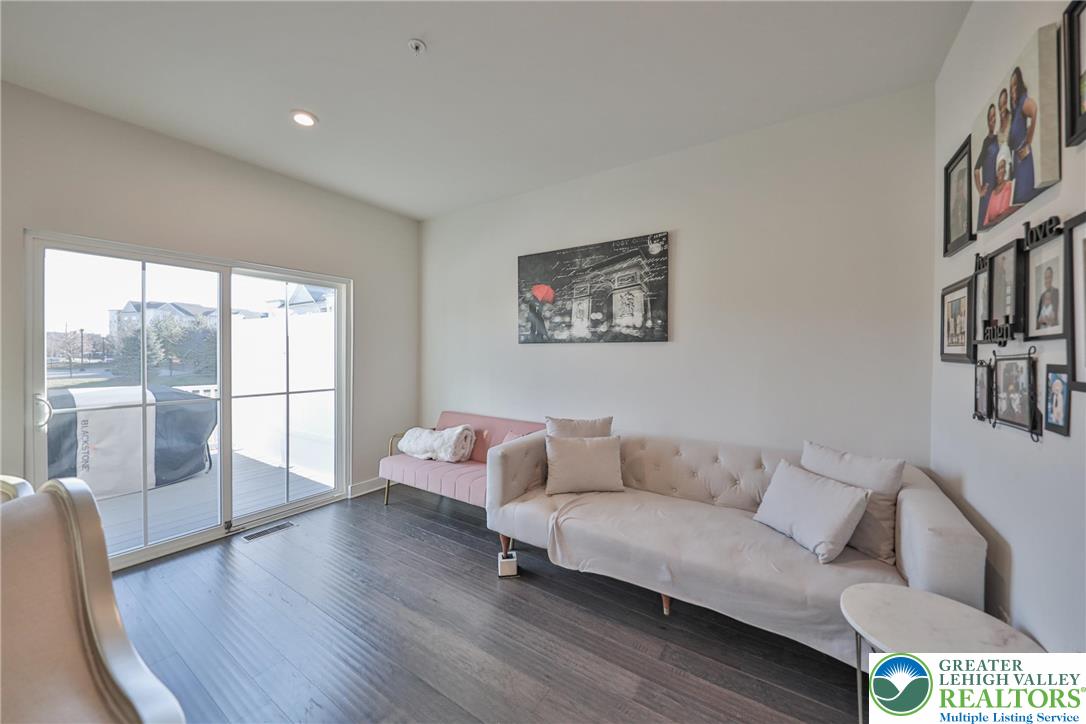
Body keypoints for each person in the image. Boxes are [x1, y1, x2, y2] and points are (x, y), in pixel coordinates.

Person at [1008, 66, 1038, 205]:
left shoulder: (1023, 102)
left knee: (1024, 197)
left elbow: (1034, 109)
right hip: (1017, 161)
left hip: (1023, 159)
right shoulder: (1015, 109)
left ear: (1019, 85)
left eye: (1015, 85)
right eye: (1011, 86)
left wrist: (1028, 140)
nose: (1013, 89)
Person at [973, 104, 999, 228]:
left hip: (997, 183)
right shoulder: (986, 141)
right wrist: (980, 190)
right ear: (987, 121)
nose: (992, 120)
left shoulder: (998, 138)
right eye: (990, 117)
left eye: (994, 116)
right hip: (988, 187)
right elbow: (976, 169)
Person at [983, 151, 1015, 227]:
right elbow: (987, 220)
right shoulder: (992, 193)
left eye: (1003, 167)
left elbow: (1007, 211)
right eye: (1000, 168)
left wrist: (995, 221)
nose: (1002, 170)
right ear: (995, 172)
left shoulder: (1009, 185)